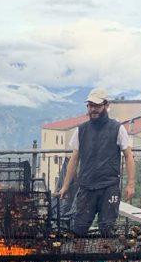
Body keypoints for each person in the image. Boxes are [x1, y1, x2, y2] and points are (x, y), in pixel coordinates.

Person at [58, 88, 135, 235]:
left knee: (107, 228)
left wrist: (131, 184)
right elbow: (74, 159)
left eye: (97, 106)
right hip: (86, 188)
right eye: (90, 105)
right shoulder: (81, 130)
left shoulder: (117, 129)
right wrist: (65, 186)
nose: (93, 109)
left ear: (106, 106)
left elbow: (128, 155)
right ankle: (79, 258)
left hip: (109, 187)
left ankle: (107, 258)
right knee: (78, 228)